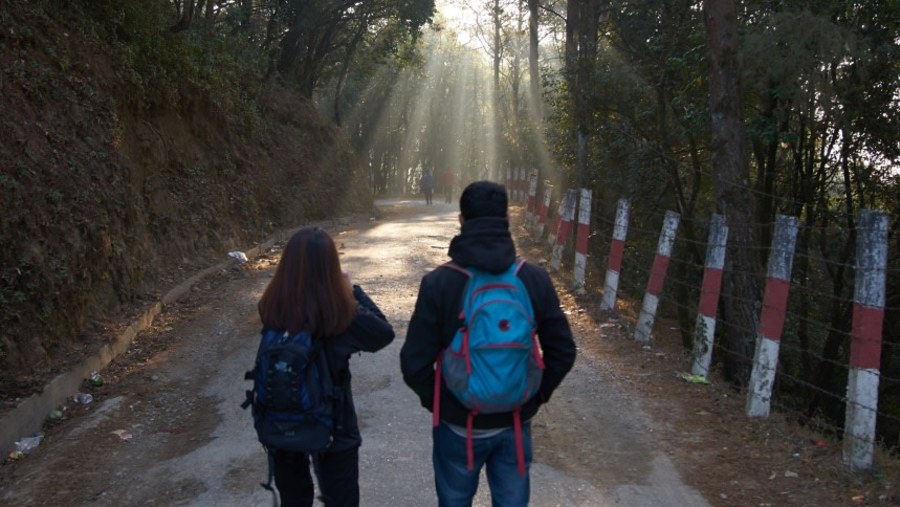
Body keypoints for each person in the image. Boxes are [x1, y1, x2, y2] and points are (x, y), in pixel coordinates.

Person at [400, 181, 577, 507]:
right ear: (508, 217)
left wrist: (441, 401)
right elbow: (563, 351)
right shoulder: (532, 279)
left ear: (461, 220)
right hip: (514, 420)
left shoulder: (440, 283)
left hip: (457, 426)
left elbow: (414, 363)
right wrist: (533, 398)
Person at [257, 226, 395, 507]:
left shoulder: (271, 306)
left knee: (294, 499)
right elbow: (383, 333)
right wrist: (352, 290)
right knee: (341, 499)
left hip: (282, 421)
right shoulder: (339, 313)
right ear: (331, 267)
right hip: (335, 424)